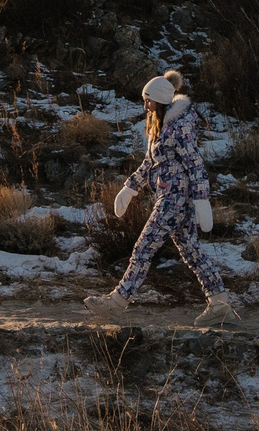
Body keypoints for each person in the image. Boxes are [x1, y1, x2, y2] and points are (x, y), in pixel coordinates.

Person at [84, 70, 240, 324]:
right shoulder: (162, 126)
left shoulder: (179, 128)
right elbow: (149, 163)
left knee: (144, 247)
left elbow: (195, 163)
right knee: (192, 252)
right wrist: (129, 188)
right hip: (171, 197)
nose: (145, 105)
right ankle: (220, 304)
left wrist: (202, 199)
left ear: (161, 101)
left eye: (148, 100)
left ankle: (117, 302)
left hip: (174, 199)